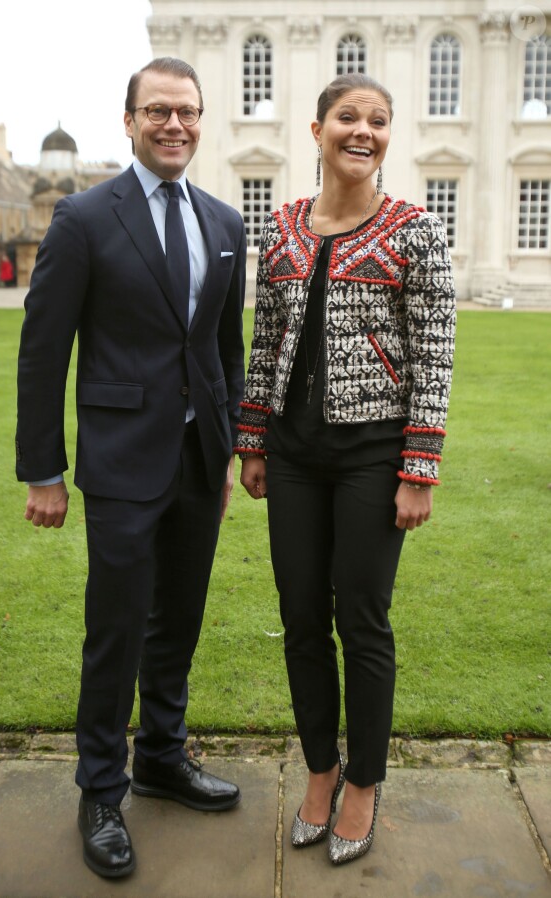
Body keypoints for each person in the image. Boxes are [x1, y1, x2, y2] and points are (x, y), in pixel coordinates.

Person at [16, 56, 247, 879]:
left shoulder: (224, 223)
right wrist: (44, 469)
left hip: (198, 458)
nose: (174, 124)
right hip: (118, 460)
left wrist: (231, 450)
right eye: (157, 111)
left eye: (186, 111)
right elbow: (44, 351)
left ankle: (161, 755)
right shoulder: (83, 218)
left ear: (200, 117)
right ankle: (101, 789)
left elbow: (225, 350)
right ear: (129, 121)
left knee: (178, 619)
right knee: (116, 628)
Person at [237, 72, 456, 866]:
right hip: (293, 455)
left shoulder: (414, 230)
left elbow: (435, 352)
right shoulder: (286, 226)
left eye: (378, 121)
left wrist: (418, 467)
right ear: (317, 129)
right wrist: (253, 440)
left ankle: (364, 780)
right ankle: (321, 771)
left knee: (360, 619)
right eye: (348, 118)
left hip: (374, 453)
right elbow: (265, 342)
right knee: (300, 618)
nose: (363, 132)